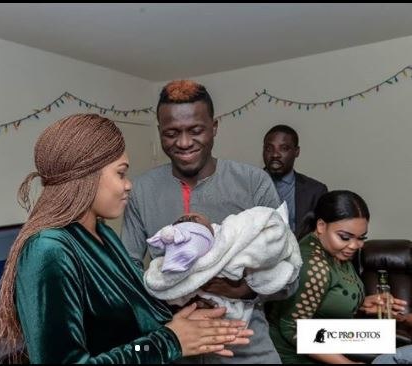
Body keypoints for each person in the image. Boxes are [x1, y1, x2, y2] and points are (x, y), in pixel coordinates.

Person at [0, 114, 254, 364]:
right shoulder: (48, 250)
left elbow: (128, 331)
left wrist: (180, 318)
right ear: (88, 175)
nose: (128, 185)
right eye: (120, 173)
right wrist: (169, 340)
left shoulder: (103, 233)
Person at [122, 80, 295, 364]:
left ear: (214, 127)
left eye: (196, 130)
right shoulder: (142, 189)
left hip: (246, 347)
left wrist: (241, 289)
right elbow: (126, 272)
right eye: (171, 133)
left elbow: (289, 273)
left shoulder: (253, 183)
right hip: (175, 346)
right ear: (160, 133)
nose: (184, 142)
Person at [267, 190, 407, 364]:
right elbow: (293, 329)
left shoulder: (335, 250)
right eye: (345, 237)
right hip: (296, 353)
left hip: (329, 333)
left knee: (397, 344)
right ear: (321, 226)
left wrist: (362, 304)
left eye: (361, 238)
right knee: (399, 354)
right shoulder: (315, 267)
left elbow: (327, 297)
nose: (354, 245)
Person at [143, 205, 301, 327]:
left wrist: (244, 291)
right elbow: (158, 285)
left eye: (191, 221)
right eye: (181, 224)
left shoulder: (231, 232)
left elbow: (274, 231)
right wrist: (189, 302)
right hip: (186, 335)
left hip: (251, 347)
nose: (187, 218)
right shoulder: (143, 190)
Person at [262, 124, 328, 238]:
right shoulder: (247, 185)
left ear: (297, 152)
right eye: (269, 148)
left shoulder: (315, 191)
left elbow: (322, 236)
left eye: (284, 148)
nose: (275, 154)